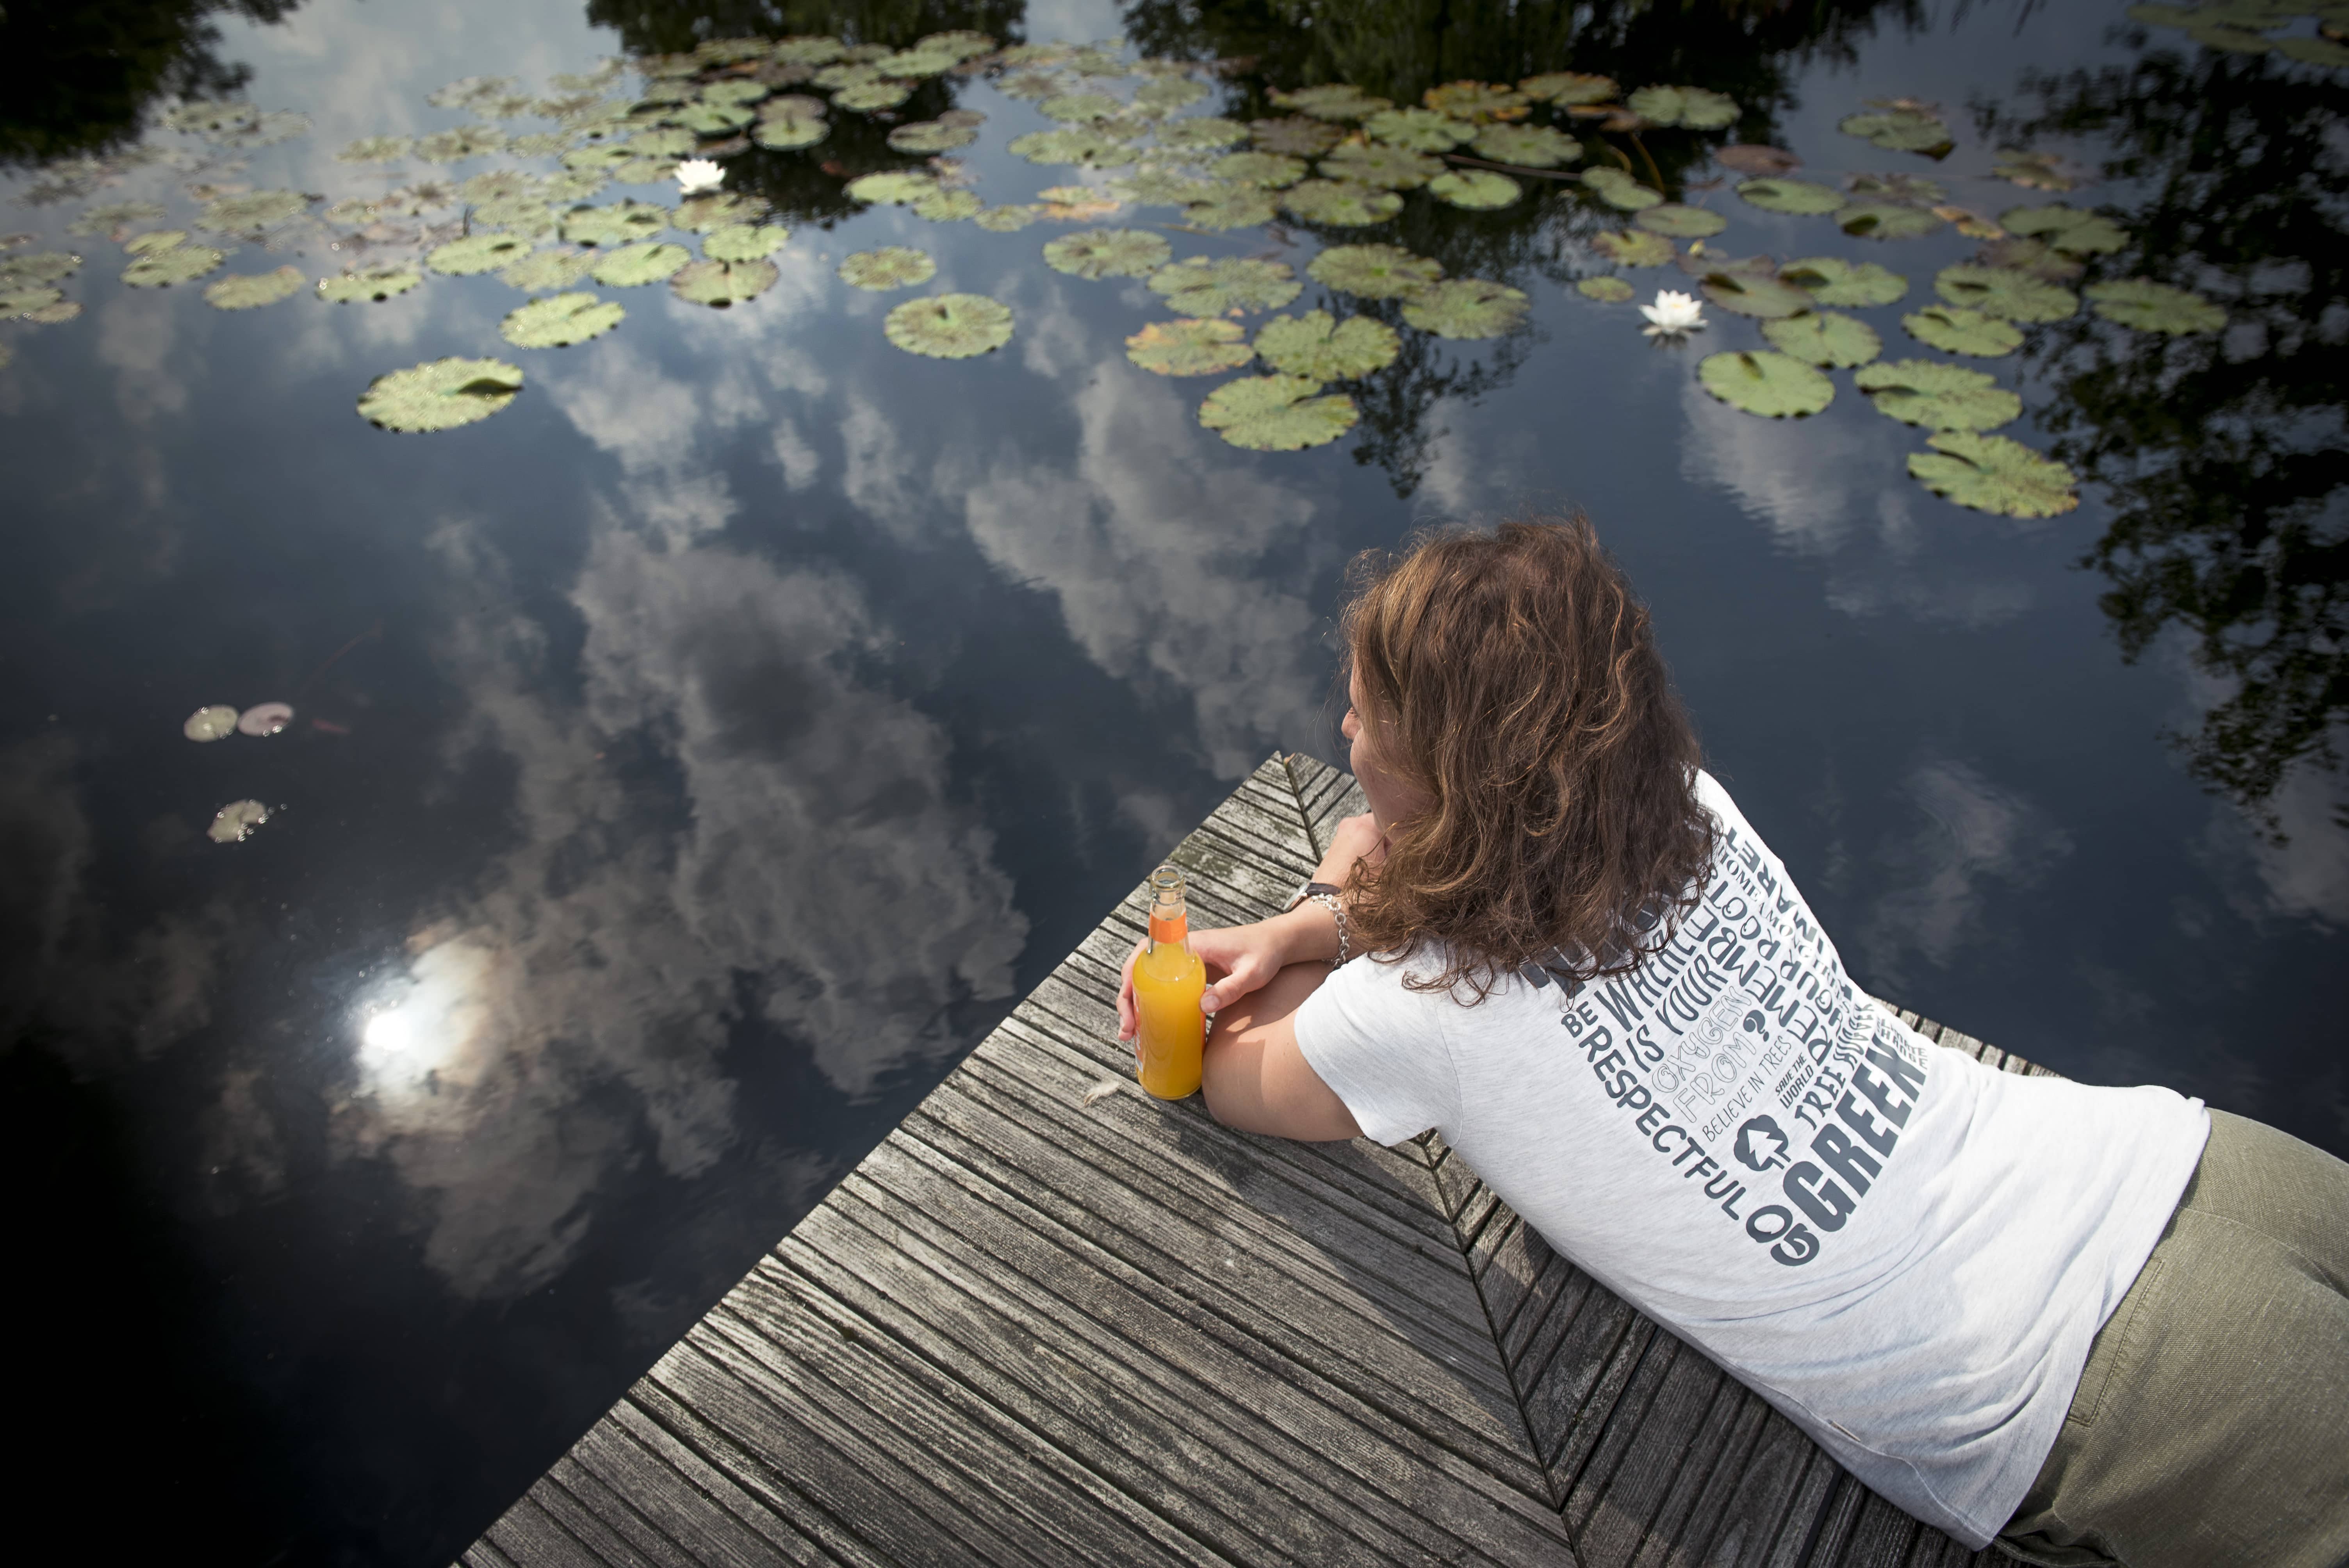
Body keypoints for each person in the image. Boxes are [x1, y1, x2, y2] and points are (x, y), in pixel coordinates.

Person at [1118, 518, 2349, 1568]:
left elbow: (1225, 1071)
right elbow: (1485, 885)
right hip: (2188, 1163)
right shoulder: (1681, 808)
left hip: (2127, 1384)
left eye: (1363, 713)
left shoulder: (1426, 1001)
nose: (1343, 729)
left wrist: (1301, 898)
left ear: (1440, 781)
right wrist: (1331, 920)